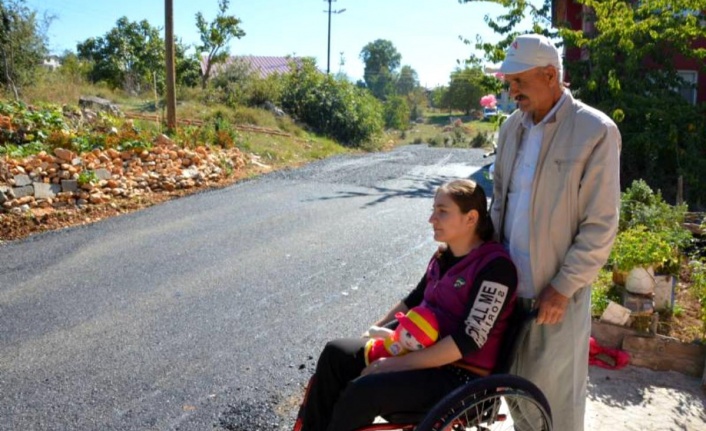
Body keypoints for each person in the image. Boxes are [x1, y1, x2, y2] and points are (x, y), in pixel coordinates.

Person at [300, 179, 518, 431]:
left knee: (364, 391)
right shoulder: (443, 256)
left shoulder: (496, 269)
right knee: (337, 354)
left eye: (442, 211)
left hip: (460, 377)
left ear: (471, 218)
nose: (432, 219)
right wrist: (373, 332)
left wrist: (393, 365)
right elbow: (412, 300)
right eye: (433, 209)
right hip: (414, 351)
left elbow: (468, 340)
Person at [490, 34, 621, 431]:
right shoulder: (512, 127)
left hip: (556, 299)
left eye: (519, 81)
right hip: (509, 294)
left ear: (550, 75)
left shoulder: (594, 130)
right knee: (515, 398)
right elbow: (500, 201)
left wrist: (563, 286)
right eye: (508, 82)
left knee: (554, 406)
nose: (511, 91)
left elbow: (601, 224)